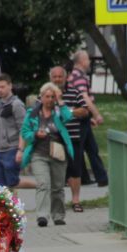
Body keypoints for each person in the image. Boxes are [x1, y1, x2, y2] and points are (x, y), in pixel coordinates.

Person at [18, 81, 73, 227]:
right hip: (39, 154)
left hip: (58, 154)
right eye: (47, 96)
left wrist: (60, 101)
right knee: (43, 184)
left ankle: (58, 215)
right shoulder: (33, 113)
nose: (49, 100)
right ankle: (42, 215)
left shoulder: (59, 111)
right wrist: (35, 134)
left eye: (52, 97)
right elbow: (25, 132)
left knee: (57, 187)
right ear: (41, 97)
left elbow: (69, 118)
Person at [48, 66, 87, 213]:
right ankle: (56, 202)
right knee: (54, 171)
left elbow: (84, 110)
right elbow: (39, 111)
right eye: (55, 76)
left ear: (66, 78)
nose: (58, 79)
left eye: (60, 76)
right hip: (53, 137)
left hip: (72, 137)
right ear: (50, 78)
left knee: (75, 169)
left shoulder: (75, 92)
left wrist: (68, 112)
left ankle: (76, 200)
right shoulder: (46, 93)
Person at [68, 50, 108, 187]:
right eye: (87, 59)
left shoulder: (74, 75)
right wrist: (96, 114)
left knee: (89, 147)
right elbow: (84, 98)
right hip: (80, 116)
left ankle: (90, 177)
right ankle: (98, 177)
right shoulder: (79, 77)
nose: (89, 62)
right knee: (86, 148)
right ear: (82, 61)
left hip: (82, 116)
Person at [0, 73, 31, 189]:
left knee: (12, 183)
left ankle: (41, 185)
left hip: (11, 149)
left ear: (10, 86)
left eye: (2, 87)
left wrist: (20, 150)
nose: (0, 90)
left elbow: (23, 129)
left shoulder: (17, 104)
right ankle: (6, 203)